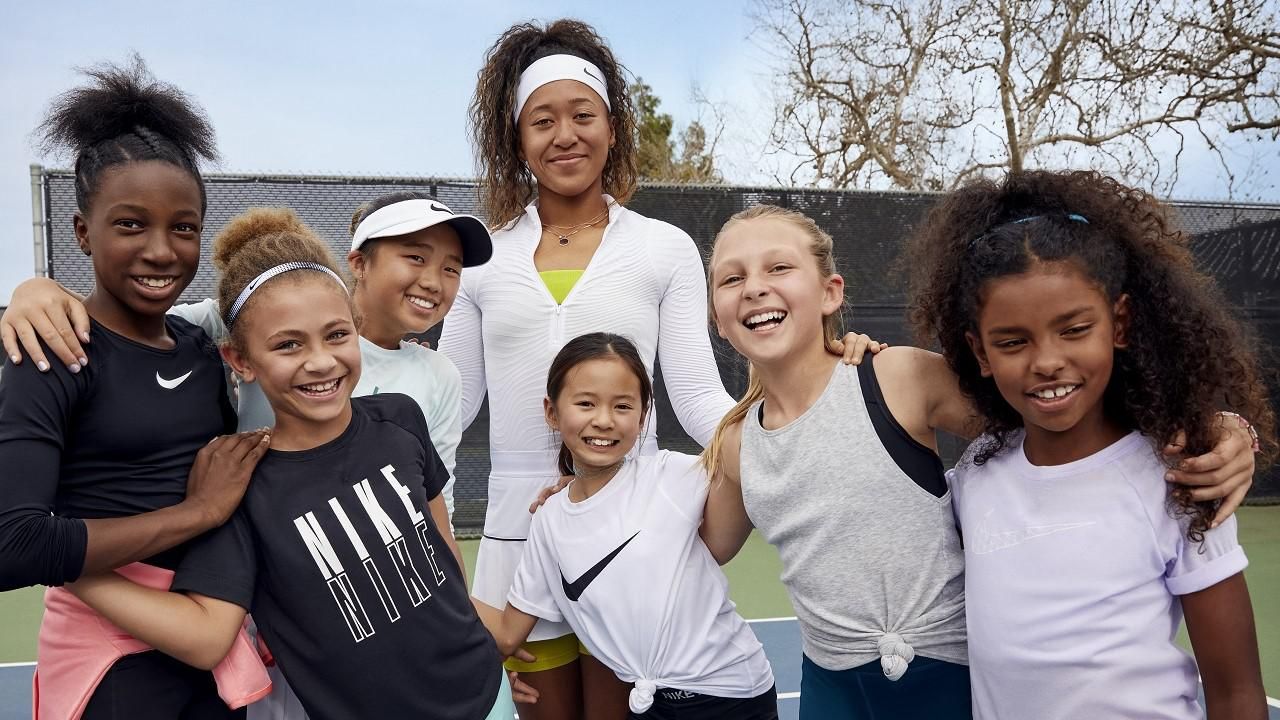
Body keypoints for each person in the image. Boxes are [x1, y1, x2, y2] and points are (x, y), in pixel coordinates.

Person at [447, 19, 873, 719]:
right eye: (542, 121)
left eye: (583, 116)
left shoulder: (663, 247)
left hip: (632, 541)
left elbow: (703, 398)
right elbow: (449, 408)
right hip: (516, 542)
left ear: (611, 128)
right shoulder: (481, 258)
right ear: (516, 139)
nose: (565, 136)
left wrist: (821, 396)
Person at [696, 204, 1260, 719]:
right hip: (831, 691)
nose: (755, 289)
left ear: (830, 292)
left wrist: (1223, 429)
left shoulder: (897, 377)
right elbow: (698, 546)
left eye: (778, 268)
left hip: (942, 680)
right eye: (732, 278)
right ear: (717, 317)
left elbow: (1050, 403)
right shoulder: (738, 444)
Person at [65, 208, 517, 720]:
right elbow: (207, 636)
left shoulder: (401, 417)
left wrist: (479, 633)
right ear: (240, 360)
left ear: (355, 329)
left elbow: (442, 548)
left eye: (337, 335)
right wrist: (67, 567)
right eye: (288, 345)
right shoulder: (238, 489)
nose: (321, 360)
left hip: (486, 694)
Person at [906, 170, 1272, 719]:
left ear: (1119, 324)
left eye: (1074, 329)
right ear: (979, 353)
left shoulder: (1179, 480)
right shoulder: (974, 481)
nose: (1047, 360)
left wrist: (1231, 428)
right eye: (1012, 342)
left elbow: (1238, 695)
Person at [0, 57, 270, 719]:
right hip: (111, 666)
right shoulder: (53, 350)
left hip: (207, 638)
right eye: (130, 225)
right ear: (83, 233)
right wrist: (197, 515)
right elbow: (14, 545)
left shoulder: (204, 347)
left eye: (182, 227)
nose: (160, 250)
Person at [474, 332, 778, 720]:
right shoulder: (548, 521)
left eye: (622, 406)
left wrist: (834, 359)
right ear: (552, 412)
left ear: (643, 414)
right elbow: (507, 634)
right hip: (645, 704)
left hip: (731, 697)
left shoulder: (673, 475)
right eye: (585, 403)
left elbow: (759, 450)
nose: (603, 420)